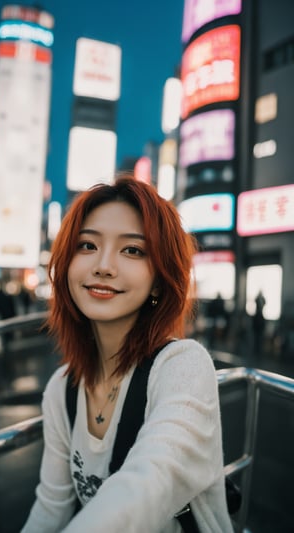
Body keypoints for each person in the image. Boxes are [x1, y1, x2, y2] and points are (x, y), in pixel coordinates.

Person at [21, 175, 233, 533]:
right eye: (87, 245)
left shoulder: (182, 366)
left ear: (158, 280)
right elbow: (51, 507)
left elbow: (150, 482)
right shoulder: (62, 389)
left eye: (133, 250)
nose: (103, 265)